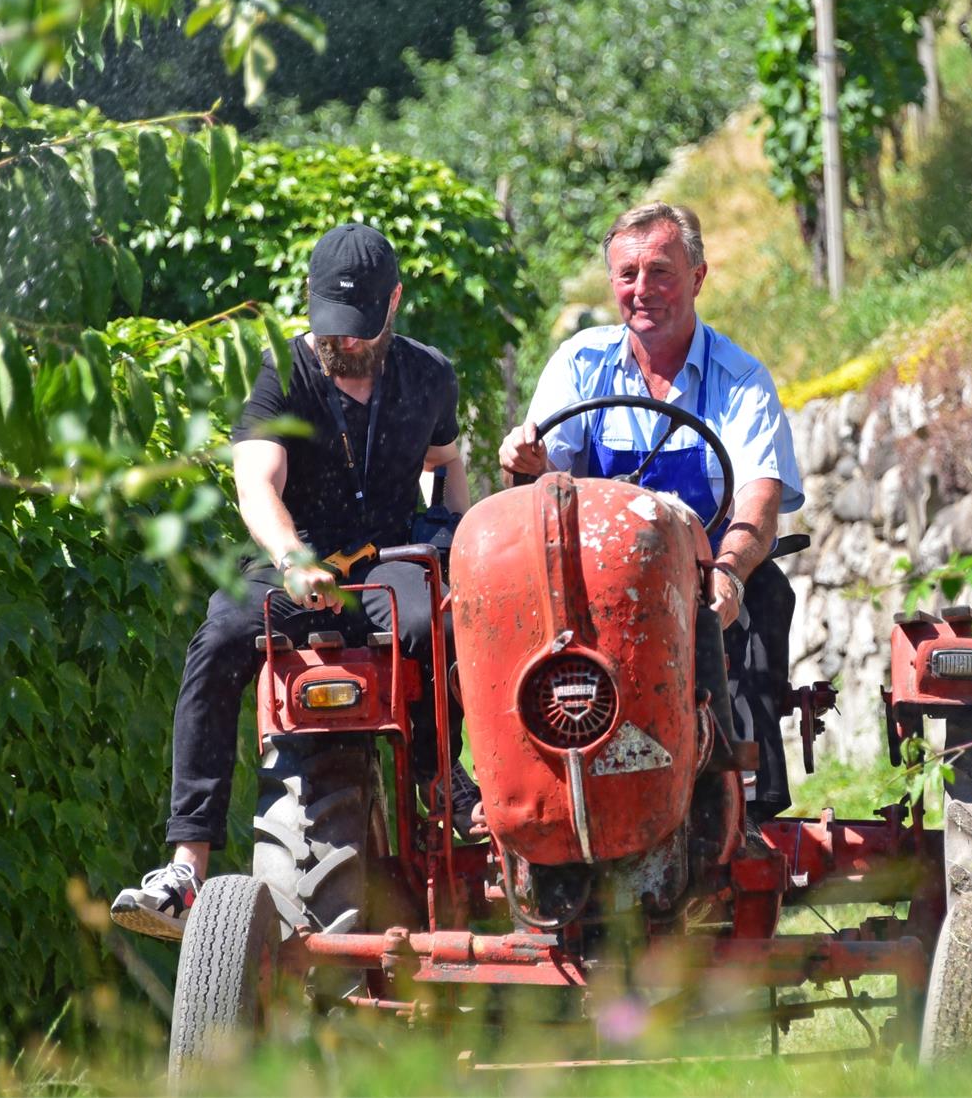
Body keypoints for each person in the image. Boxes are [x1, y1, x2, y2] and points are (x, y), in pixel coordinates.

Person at [112, 223, 472, 939]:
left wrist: (452, 535)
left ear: (393, 304)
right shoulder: (285, 371)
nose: (342, 344)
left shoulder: (429, 374)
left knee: (438, 619)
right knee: (218, 637)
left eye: (358, 331)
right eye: (331, 329)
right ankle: (187, 866)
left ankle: (443, 779)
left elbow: (447, 461)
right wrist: (290, 556)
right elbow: (256, 483)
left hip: (391, 556)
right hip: (299, 560)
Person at [498, 202, 804, 823]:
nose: (643, 291)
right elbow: (538, 486)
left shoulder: (740, 380)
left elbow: (760, 496)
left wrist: (729, 574)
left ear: (697, 277)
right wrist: (522, 459)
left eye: (661, 272)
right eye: (627, 274)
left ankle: (749, 792)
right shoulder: (580, 364)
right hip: (594, 581)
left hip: (704, 574)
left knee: (768, 595)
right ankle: (538, 787)